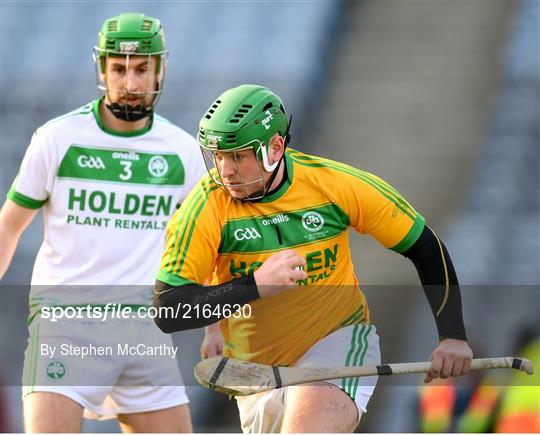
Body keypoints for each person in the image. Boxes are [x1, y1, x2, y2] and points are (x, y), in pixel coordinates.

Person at [153, 84, 473, 433]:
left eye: (239, 156)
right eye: (219, 157)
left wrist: (452, 336)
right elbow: (168, 308)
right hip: (256, 373)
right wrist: (252, 289)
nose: (226, 171)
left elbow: (425, 246)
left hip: (336, 340)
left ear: (275, 147)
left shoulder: (334, 184)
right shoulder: (204, 207)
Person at [0, 12, 206, 432]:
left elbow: (209, 244)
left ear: (159, 69)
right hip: (65, 323)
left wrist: (218, 324)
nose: (130, 83)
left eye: (142, 69)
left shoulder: (183, 152)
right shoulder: (57, 138)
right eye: (119, 68)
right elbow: (9, 226)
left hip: (143, 328)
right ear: (102, 69)